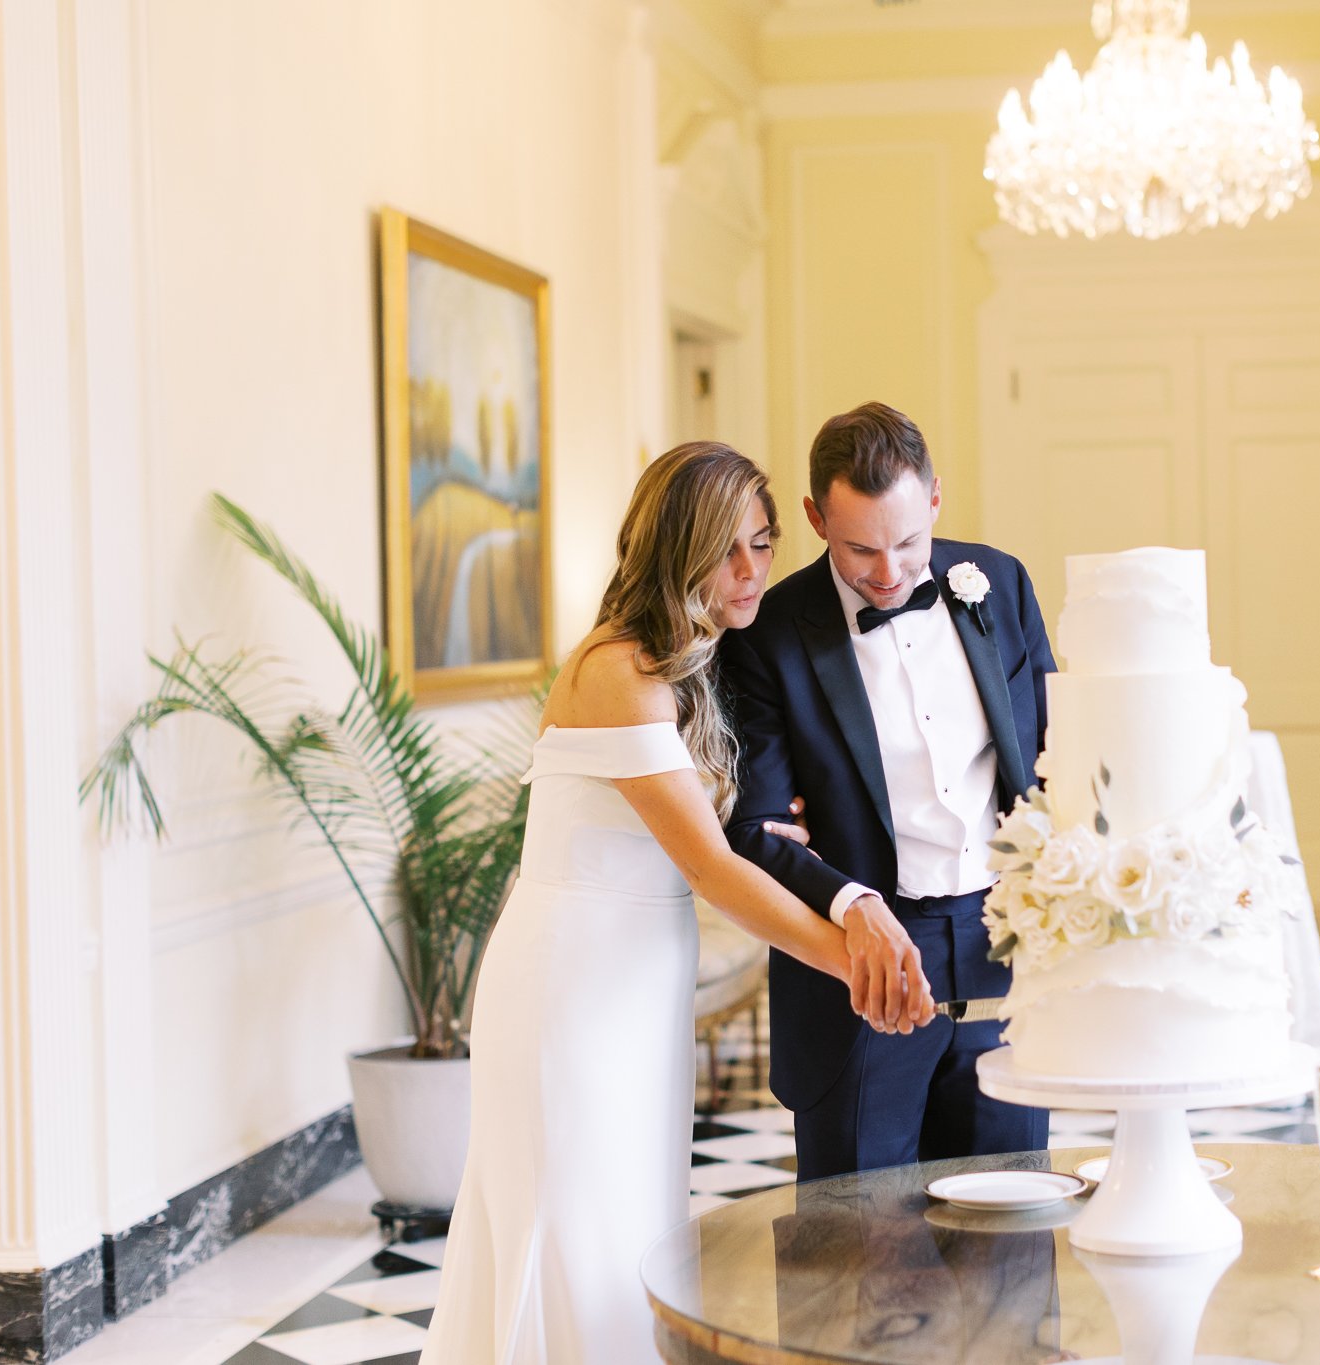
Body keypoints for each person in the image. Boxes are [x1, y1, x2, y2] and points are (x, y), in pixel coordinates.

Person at [420, 442, 922, 1365]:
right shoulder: (619, 671)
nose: (750, 573)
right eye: (724, 551)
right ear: (671, 551)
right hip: (570, 987)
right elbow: (714, 870)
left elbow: (736, 830)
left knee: (632, 1220)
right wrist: (860, 960)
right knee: (575, 1226)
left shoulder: (691, 664)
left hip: (639, 990)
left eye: (763, 546)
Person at [721, 401, 1054, 1180]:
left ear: (935, 498)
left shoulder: (998, 584)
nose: (890, 571)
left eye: (908, 541)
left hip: (1001, 952)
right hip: (857, 976)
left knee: (1008, 1250)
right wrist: (850, 904)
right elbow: (757, 829)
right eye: (860, 548)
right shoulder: (769, 634)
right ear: (813, 518)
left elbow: (1052, 756)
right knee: (857, 1262)